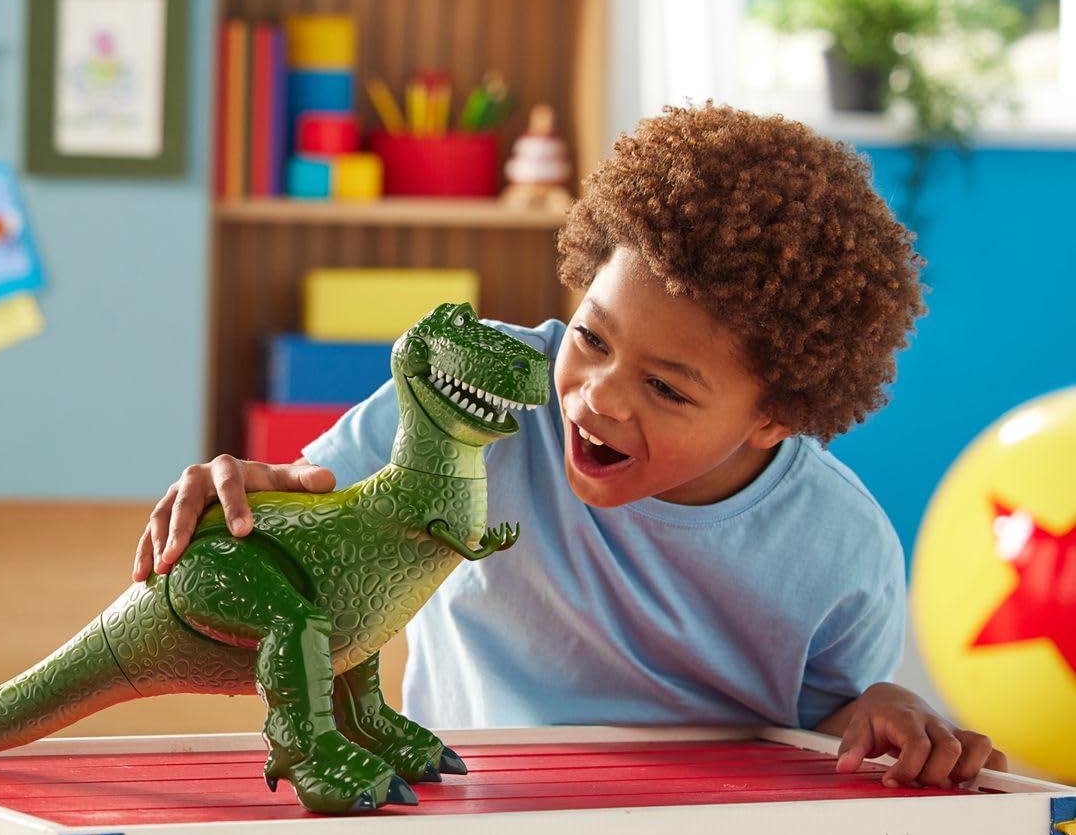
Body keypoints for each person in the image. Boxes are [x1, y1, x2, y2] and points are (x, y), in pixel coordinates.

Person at [135, 104, 1005, 789]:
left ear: (775, 416)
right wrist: (250, 495)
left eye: (666, 389)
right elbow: (311, 508)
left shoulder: (841, 549)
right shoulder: (472, 389)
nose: (597, 397)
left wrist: (881, 708)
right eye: (591, 338)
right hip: (469, 822)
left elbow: (826, 742)